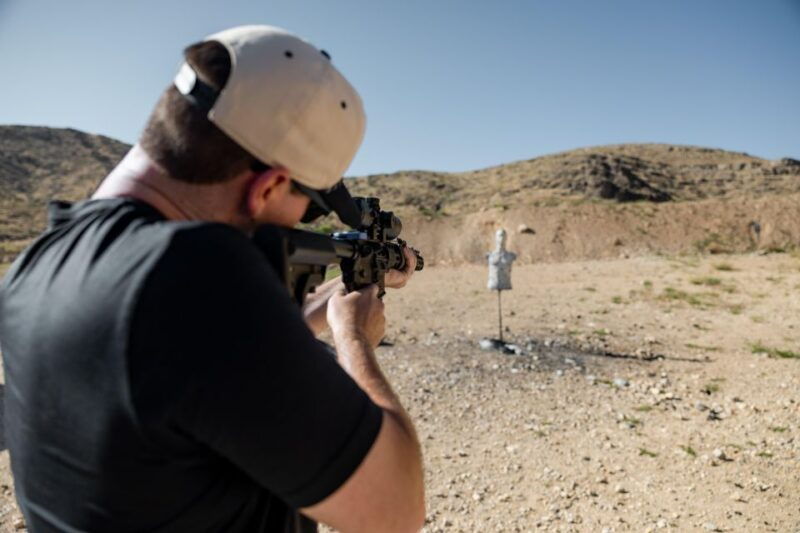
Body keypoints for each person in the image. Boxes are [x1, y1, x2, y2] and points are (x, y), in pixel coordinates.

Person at [0, 25, 425, 532]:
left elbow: (180, 377)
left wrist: (296, 318)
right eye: (310, 209)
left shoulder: (41, 259)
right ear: (268, 187)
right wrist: (354, 337)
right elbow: (395, 510)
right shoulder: (195, 275)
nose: (300, 223)